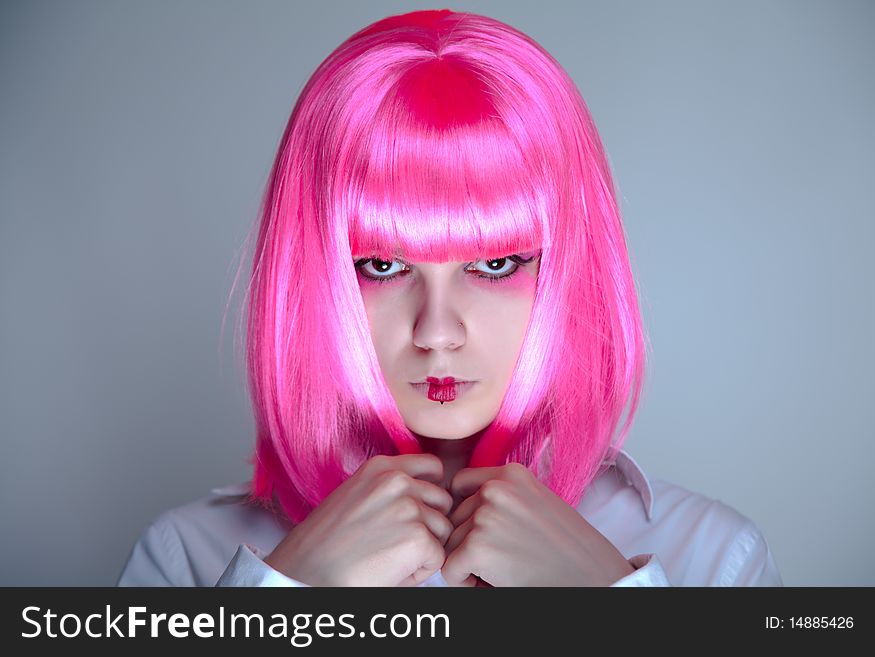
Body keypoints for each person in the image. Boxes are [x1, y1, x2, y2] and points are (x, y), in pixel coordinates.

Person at [117, 8, 783, 587]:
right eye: (381, 264)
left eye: (495, 263)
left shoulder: (713, 556)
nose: (437, 332)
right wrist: (286, 591)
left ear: (572, 270)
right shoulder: (187, 557)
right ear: (315, 278)